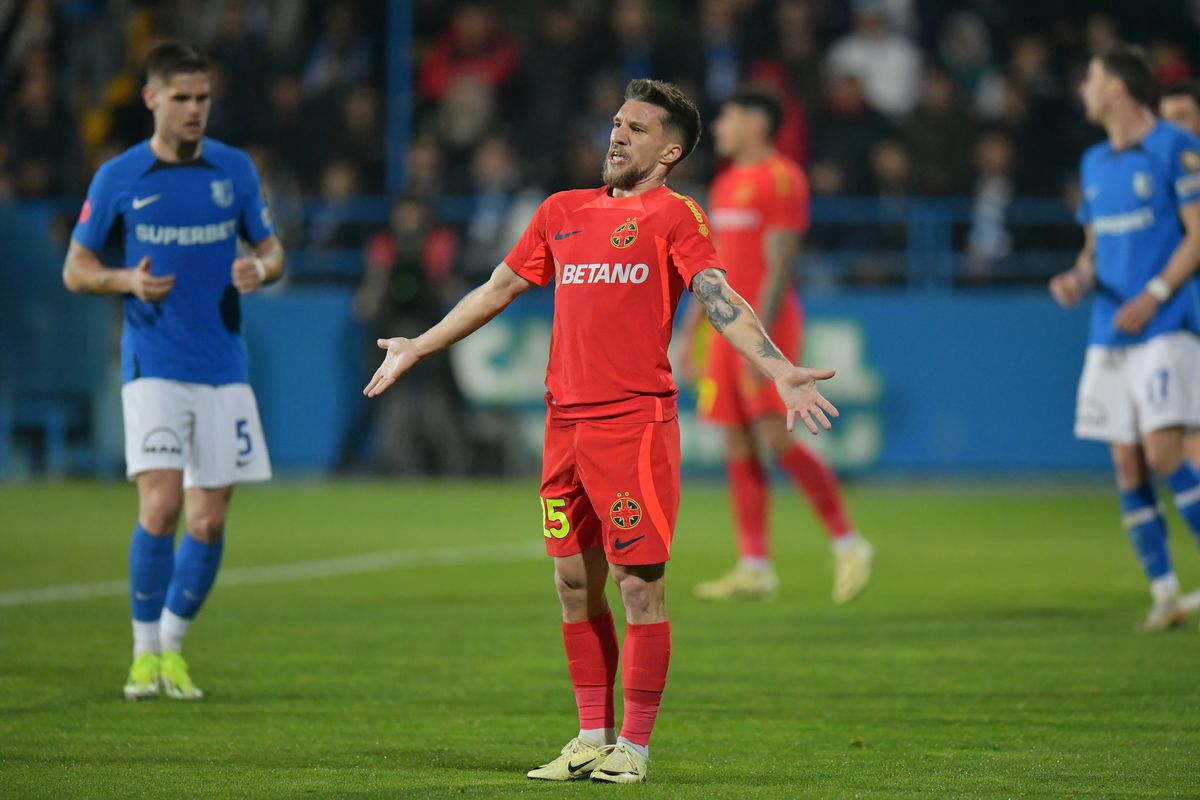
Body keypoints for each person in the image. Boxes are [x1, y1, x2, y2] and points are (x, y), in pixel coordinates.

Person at [364, 78, 838, 783]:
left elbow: (719, 296)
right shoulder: (562, 211)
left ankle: (635, 749)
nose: (616, 135)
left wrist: (776, 368)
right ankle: (591, 735)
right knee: (570, 583)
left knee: (638, 584)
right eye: (616, 123)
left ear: (670, 150)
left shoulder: (677, 217)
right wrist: (419, 345)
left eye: (637, 129)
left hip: (634, 425)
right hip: (565, 426)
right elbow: (497, 288)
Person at [62, 42, 284, 698]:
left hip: (224, 366)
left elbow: (273, 252)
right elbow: (75, 268)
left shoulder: (234, 171)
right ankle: (142, 653)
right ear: (152, 98)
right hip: (154, 364)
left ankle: (174, 646)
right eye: (182, 98)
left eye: (203, 98)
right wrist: (124, 277)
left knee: (208, 521)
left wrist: (259, 269)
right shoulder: (120, 177)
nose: (194, 110)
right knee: (159, 507)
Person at [678, 88, 872, 603]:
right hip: (722, 331)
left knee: (776, 439)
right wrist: (687, 333)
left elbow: (781, 261)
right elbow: (709, 269)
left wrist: (757, 341)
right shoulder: (723, 185)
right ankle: (754, 566)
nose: (717, 126)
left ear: (755, 123)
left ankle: (848, 541)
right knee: (736, 441)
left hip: (765, 329)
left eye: (727, 116)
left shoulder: (782, 178)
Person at [1049, 45, 1200, 631]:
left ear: (1116, 87)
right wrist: (1076, 279)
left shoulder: (1174, 147)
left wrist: (1157, 293)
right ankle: (1164, 592)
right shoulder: (1093, 163)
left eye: (1091, 78)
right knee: (1126, 462)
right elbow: (1094, 251)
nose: (1084, 90)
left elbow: (1197, 234)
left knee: (1164, 452)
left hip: (1164, 324)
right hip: (1109, 331)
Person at [1158, 80, 1200, 472]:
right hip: (1181, 320)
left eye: (1184, 116)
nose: (1176, 126)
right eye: (1167, 119)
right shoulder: (1157, 183)